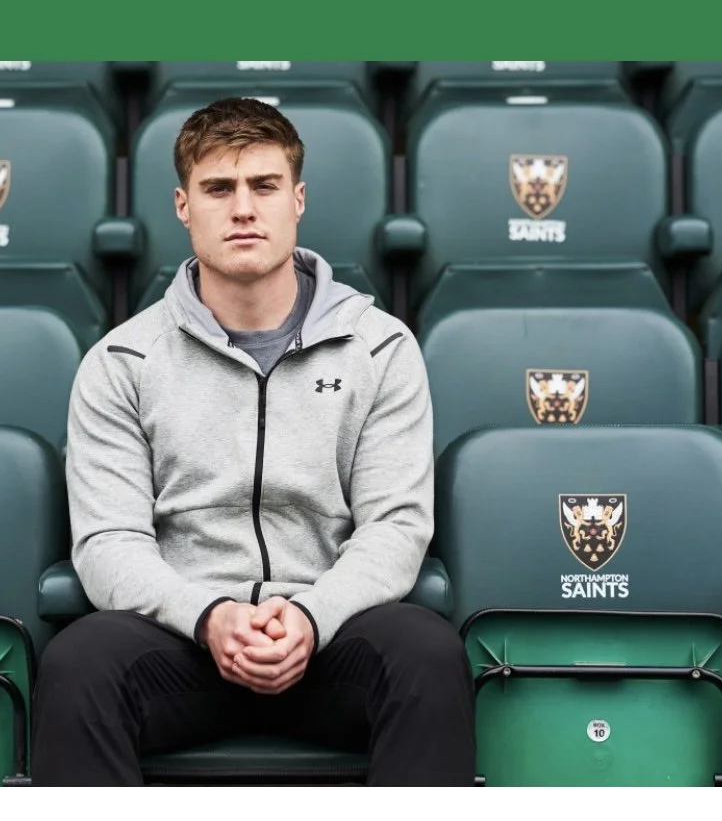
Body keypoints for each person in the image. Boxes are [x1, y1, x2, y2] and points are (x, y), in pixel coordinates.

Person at [31, 95, 474, 785]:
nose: (243, 208)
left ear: (298, 199)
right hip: (184, 641)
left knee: (425, 651)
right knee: (77, 663)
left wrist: (310, 615)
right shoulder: (123, 361)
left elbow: (396, 525)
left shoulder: (380, 348)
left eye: (263, 186)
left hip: (328, 637)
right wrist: (209, 617)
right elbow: (107, 542)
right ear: (183, 205)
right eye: (218, 188)